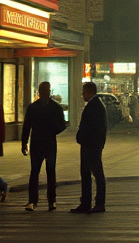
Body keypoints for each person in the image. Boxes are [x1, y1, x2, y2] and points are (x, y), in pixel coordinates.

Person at [21, 81, 67, 211]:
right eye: (44, 90)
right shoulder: (34, 107)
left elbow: (62, 125)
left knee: (50, 171)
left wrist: (53, 130)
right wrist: (24, 142)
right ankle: (33, 200)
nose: (45, 92)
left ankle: (51, 200)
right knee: (35, 171)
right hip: (37, 142)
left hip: (48, 142)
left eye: (47, 90)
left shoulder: (54, 107)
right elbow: (26, 126)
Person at [71, 81, 107, 214]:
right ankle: (86, 202)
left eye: (84, 92)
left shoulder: (95, 106)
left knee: (96, 174)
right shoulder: (95, 105)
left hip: (91, 146)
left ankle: (98, 203)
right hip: (90, 145)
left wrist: (84, 139)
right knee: (87, 174)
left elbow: (94, 128)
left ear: (89, 92)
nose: (82, 95)